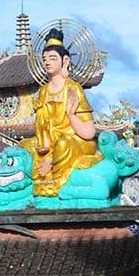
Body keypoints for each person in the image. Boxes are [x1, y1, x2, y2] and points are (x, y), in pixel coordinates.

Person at [27, 28, 102, 196]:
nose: (47, 62)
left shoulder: (73, 89)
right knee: (23, 147)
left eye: (52, 58)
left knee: (63, 145)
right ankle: (34, 185)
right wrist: (43, 148)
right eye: (45, 59)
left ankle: (58, 185)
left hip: (74, 143)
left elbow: (89, 133)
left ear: (65, 60)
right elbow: (41, 128)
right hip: (48, 144)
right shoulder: (43, 92)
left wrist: (71, 115)